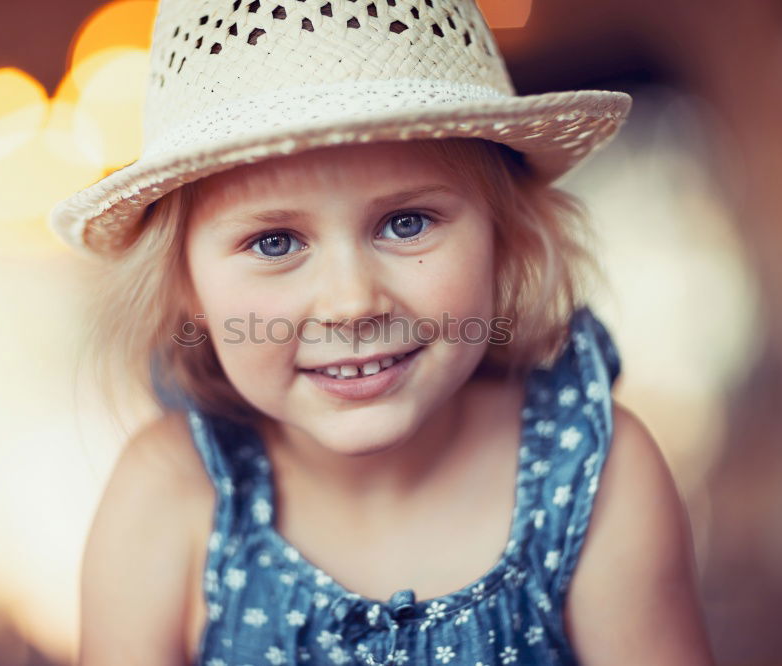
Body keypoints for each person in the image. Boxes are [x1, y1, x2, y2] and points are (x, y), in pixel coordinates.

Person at [49, 0, 715, 664]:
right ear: (187, 289)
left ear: (503, 239)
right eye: (275, 241)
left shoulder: (589, 479)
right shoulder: (170, 495)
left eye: (407, 223)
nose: (351, 303)